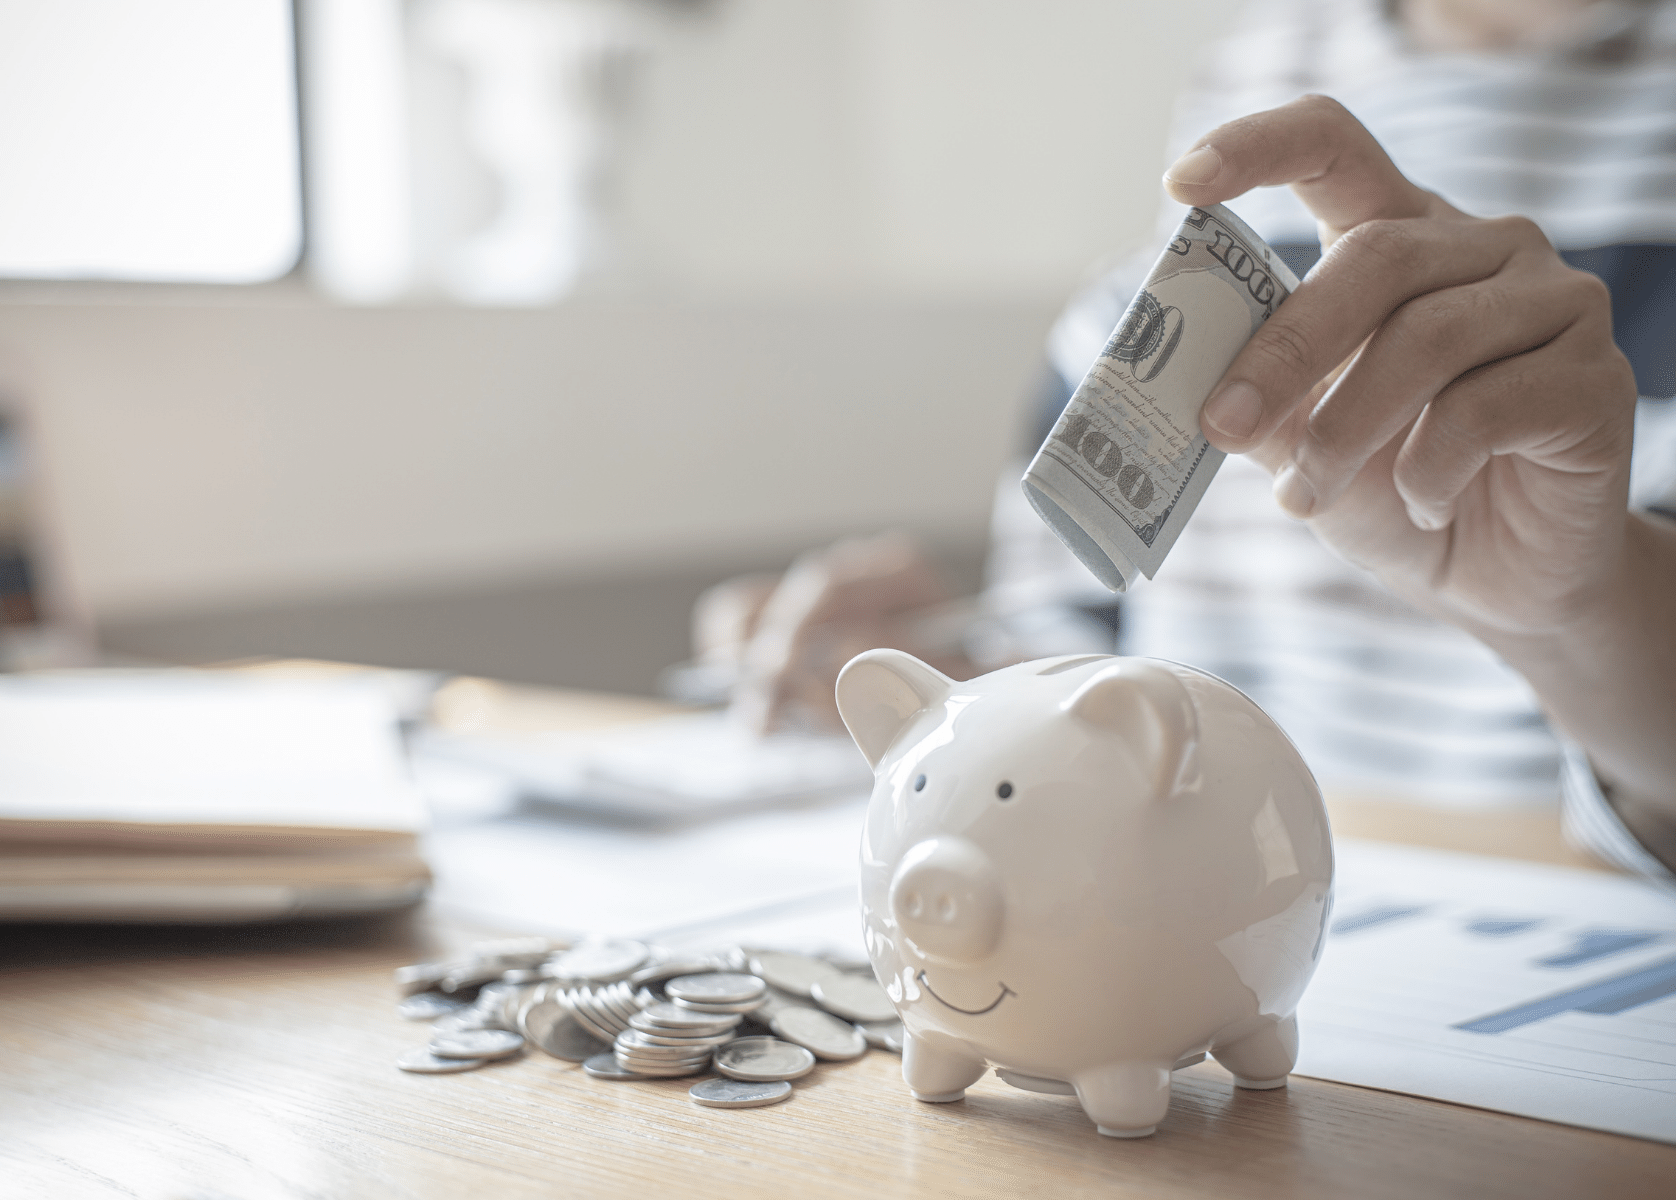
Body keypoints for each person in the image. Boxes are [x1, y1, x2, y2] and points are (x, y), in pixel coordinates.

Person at [692, 0, 1676, 880]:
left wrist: (1582, 614)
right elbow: (1093, 640)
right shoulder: (1243, 84)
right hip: (1177, 933)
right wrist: (962, 674)